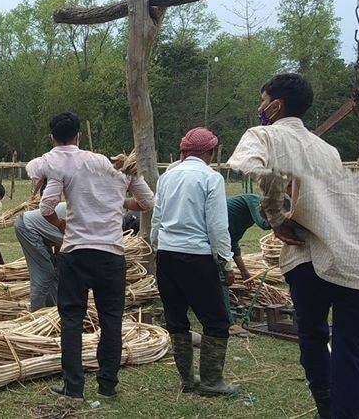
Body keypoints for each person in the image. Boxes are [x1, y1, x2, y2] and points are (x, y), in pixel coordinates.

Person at [227, 73, 359, 418]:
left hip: (308, 257)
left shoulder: (263, 134)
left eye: (263, 101)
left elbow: (254, 167)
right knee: (351, 352)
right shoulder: (328, 150)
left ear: (276, 105)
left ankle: (327, 406)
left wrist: (276, 215)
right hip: (354, 263)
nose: (260, 108)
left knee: (312, 336)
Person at [35, 112, 154, 399]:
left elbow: (46, 207)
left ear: (53, 138)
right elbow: (148, 202)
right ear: (78, 135)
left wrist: (62, 225)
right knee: (111, 320)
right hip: (110, 255)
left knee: (72, 319)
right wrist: (119, 199)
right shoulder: (118, 168)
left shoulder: (64, 167)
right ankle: (108, 385)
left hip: (76, 252)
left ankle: (73, 386)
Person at [151, 127, 239, 396]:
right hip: (197, 256)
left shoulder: (167, 176)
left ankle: (188, 380)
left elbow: (157, 218)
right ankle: (212, 381)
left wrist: (157, 247)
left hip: (166, 254)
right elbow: (216, 225)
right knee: (216, 321)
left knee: (177, 319)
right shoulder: (211, 178)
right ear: (209, 153)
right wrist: (226, 261)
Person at [223, 193, 271, 335]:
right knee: (221, 277)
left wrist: (244, 272)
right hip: (210, 238)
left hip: (222, 238)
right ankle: (229, 324)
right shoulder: (253, 201)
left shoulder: (244, 217)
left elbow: (233, 242)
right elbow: (263, 224)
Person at [15, 201, 67, 311]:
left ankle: (51, 309)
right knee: (45, 272)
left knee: (54, 271)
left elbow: (60, 238)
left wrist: (57, 257)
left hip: (39, 232)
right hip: (28, 228)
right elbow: (63, 230)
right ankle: (37, 314)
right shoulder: (77, 213)